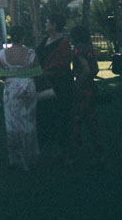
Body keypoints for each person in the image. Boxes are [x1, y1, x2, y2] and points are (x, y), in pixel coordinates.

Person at [0, 24, 40, 170]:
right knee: (28, 122)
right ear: (23, 37)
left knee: (12, 123)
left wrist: (12, 75)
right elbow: (37, 72)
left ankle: (16, 159)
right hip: (28, 88)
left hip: (11, 90)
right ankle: (30, 157)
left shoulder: (2, 54)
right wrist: (23, 75)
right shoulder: (31, 53)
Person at [66, 25, 104, 165]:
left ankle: (73, 153)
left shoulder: (78, 50)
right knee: (92, 120)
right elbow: (94, 69)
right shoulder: (89, 49)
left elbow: (86, 69)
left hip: (83, 90)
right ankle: (98, 151)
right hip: (91, 87)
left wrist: (78, 83)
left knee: (76, 120)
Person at [36, 12, 73, 147]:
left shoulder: (63, 43)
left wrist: (44, 72)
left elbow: (60, 65)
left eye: (47, 22)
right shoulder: (46, 39)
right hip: (43, 81)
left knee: (57, 112)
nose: (45, 24)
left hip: (58, 83)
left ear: (54, 25)